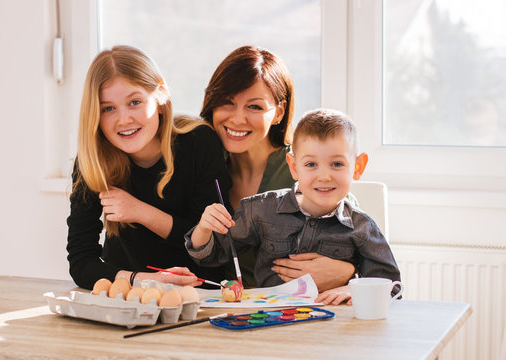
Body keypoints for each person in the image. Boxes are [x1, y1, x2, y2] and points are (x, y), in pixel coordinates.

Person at [186, 108, 401, 304]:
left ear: (358, 167)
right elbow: (212, 255)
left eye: (337, 164)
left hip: (334, 330)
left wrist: (353, 289)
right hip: (270, 321)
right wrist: (204, 228)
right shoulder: (260, 210)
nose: (324, 177)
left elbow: (393, 288)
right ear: (294, 166)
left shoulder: (362, 228)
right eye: (311, 164)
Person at [66, 45, 231, 290]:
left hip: (200, 295)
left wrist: (140, 212)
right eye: (108, 108)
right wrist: (145, 280)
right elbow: (81, 262)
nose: (123, 119)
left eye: (134, 102)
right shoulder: (93, 159)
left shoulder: (198, 142)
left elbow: (212, 244)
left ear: (161, 98)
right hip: (130, 296)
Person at [200, 45, 356, 290]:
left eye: (254, 107)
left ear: (279, 112)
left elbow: (367, 248)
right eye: (227, 102)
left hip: (304, 314)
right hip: (232, 314)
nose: (237, 118)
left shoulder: (304, 168)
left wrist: (349, 272)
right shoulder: (204, 168)